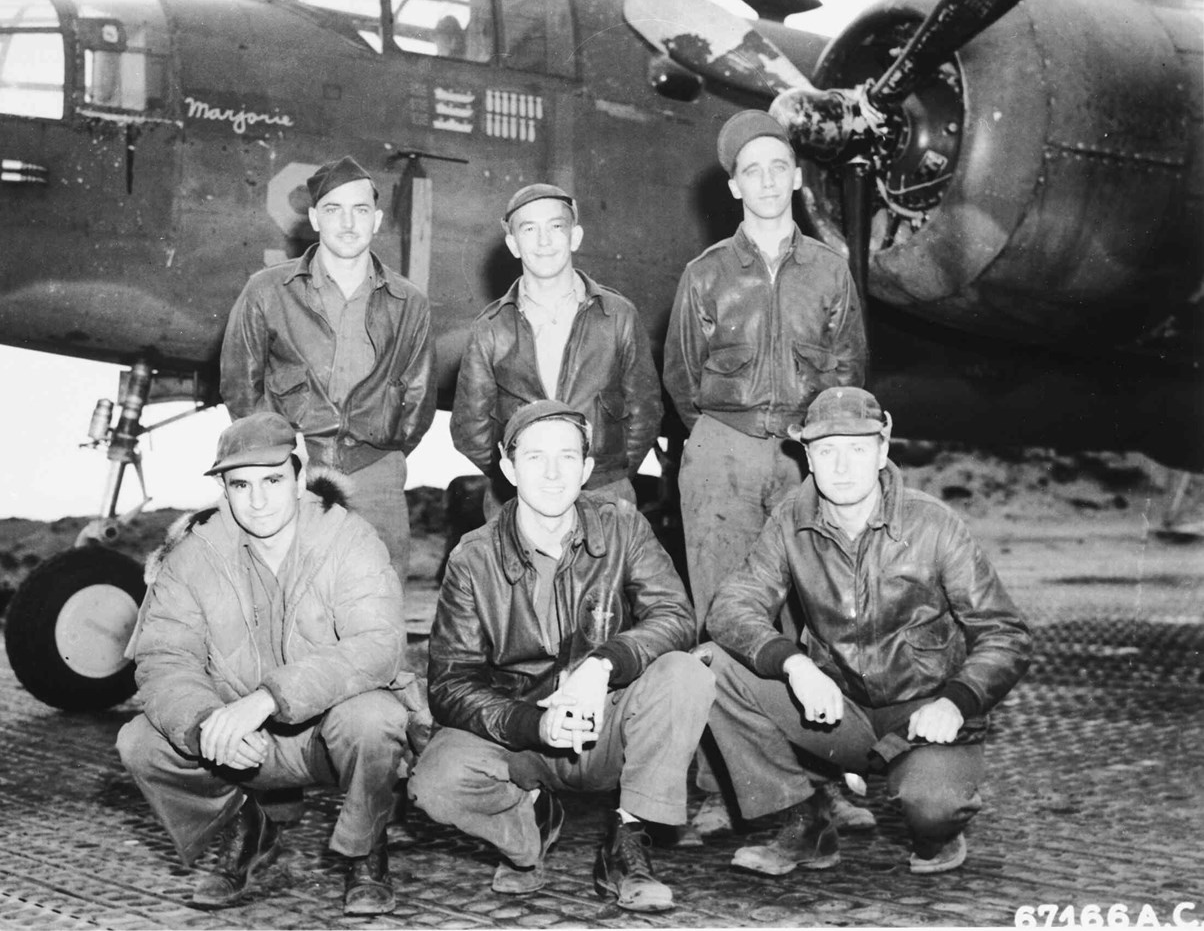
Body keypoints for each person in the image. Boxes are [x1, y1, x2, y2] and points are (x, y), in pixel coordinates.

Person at [705, 387, 1033, 876]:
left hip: (924, 714)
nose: (842, 466)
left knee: (932, 806)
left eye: (857, 449)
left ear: (882, 451)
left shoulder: (934, 525)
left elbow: (1006, 632)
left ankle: (937, 835)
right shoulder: (791, 519)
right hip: (839, 711)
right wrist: (793, 664)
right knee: (710, 665)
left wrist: (956, 701)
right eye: (826, 450)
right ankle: (805, 823)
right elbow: (733, 604)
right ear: (808, 458)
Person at [409, 400, 712, 912]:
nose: (553, 473)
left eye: (568, 457)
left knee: (685, 674)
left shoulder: (622, 526)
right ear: (508, 468)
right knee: (436, 783)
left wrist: (603, 664)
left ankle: (628, 840)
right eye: (535, 457)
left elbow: (675, 617)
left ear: (588, 468)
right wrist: (533, 724)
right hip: (521, 736)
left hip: (604, 725)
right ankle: (527, 827)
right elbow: (450, 684)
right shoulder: (472, 557)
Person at [663, 109, 870, 835]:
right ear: (734, 186)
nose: (767, 180)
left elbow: (848, 373)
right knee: (724, 617)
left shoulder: (830, 271)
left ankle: (826, 774)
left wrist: (805, 449)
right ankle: (732, 788)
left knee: (812, 621)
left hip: (804, 458)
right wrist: (730, 441)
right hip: (723, 448)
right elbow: (682, 380)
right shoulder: (706, 273)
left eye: (779, 166)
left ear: (797, 178)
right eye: (752, 169)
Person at [116, 412, 408, 914]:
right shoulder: (193, 556)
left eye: (273, 480)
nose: (257, 499)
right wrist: (206, 722)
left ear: (298, 479)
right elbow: (164, 657)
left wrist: (270, 698)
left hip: (325, 735)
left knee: (376, 718)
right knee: (141, 742)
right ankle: (244, 825)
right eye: (240, 484)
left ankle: (366, 847)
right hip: (240, 744)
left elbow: (378, 644)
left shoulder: (348, 538)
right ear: (224, 491)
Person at [221, 156, 436, 586]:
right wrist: (281, 454)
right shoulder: (266, 291)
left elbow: (419, 400)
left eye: (360, 210)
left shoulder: (409, 301)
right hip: (293, 471)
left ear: (376, 220)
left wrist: (381, 457)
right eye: (334, 210)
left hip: (375, 475)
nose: (348, 223)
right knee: (286, 603)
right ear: (315, 218)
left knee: (379, 604)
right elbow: (240, 386)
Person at [451, 183, 662, 516]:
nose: (544, 241)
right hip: (517, 505)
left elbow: (645, 412)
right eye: (529, 229)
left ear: (575, 236)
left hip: (603, 498)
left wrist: (606, 474)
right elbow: (469, 428)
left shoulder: (618, 316)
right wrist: (520, 478)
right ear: (513, 244)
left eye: (556, 227)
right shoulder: (491, 328)